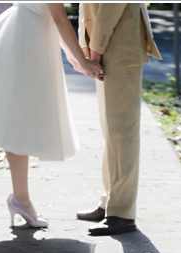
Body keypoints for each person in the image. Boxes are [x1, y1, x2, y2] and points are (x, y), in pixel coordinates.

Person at [0, 3, 103, 229]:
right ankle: (21, 199)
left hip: (27, 31)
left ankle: (21, 198)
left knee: (19, 119)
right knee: (19, 118)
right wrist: (83, 59)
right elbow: (58, 16)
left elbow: (51, 13)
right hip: (27, 37)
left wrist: (72, 55)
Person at [76, 3, 162, 235]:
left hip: (118, 44)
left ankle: (122, 213)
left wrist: (94, 50)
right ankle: (109, 203)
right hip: (106, 44)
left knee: (123, 133)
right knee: (112, 132)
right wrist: (86, 44)